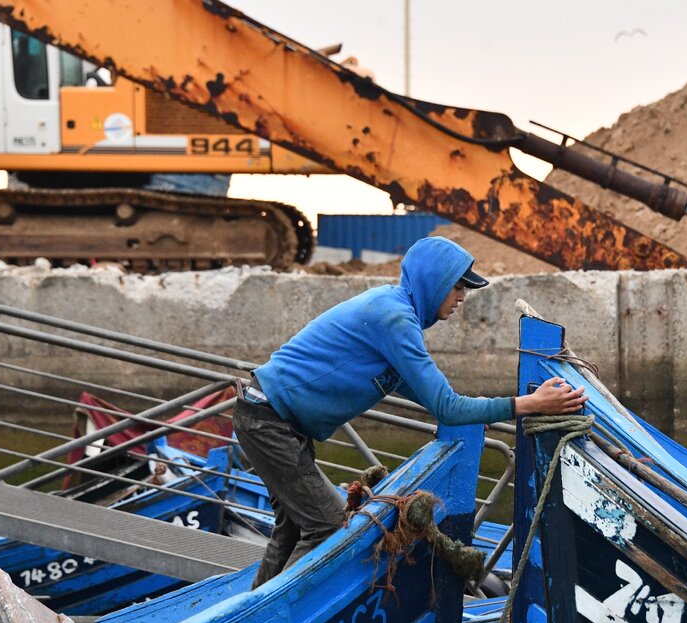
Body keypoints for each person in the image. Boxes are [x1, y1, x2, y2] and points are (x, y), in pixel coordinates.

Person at [234, 236, 587, 588]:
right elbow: (448, 408)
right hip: (270, 422)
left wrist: (477, 411)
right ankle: (272, 622)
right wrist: (531, 404)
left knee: (293, 530)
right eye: (458, 286)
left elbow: (437, 400)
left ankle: (249, 618)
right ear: (432, 281)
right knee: (326, 527)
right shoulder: (394, 318)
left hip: (272, 418)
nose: (462, 296)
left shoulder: (393, 311)